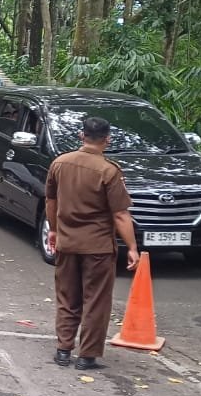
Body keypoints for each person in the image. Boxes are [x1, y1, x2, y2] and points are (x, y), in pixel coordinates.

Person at [44, 115, 141, 371]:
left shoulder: (60, 163)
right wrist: (132, 247)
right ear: (107, 139)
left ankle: (63, 349)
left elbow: (50, 201)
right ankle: (87, 355)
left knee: (67, 297)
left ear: (81, 135)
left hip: (67, 243)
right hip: (97, 247)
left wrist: (53, 230)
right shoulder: (109, 171)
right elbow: (120, 214)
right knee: (95, 300)